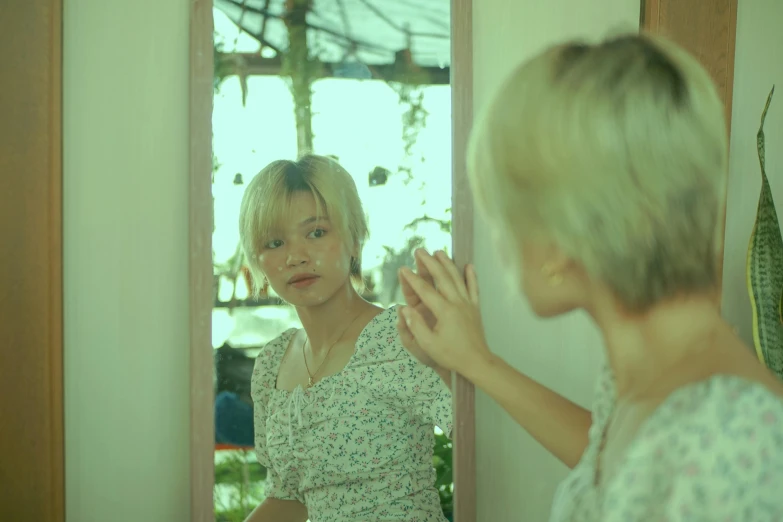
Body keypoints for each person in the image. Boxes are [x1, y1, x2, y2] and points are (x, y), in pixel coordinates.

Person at [395, 33, 783, 521]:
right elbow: (618, 472)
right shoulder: (656, 382)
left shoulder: (732, 436)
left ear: (559, 238)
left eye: (501, 216)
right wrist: (474, 362)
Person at [238, 154, 452, 522]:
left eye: (317, 232)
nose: (295, 256)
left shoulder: (402, 336)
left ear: (355, 237)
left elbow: (484, 439)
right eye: (274, 242)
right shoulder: (271, 363)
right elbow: (288, 500)